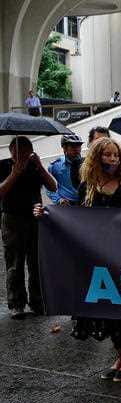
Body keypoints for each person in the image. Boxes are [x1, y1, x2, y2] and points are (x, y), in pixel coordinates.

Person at [35, 137, 121, 381]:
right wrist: (47, 213)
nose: (113, 159)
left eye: (116, 155)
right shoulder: (88, 187)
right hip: (97, 257)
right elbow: (76, 217)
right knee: (107, 309)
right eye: (107, 155)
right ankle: (118, 355)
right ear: (97, 158)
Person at [0, 137, 57, 319]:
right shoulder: (3, 166)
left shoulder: (35, 166)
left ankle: (37, 301)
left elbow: (53, 186)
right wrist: (14, 173)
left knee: (36, 262)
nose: (22, 155)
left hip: (35, 217)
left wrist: (39, 166)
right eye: (18, 152)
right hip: (12, 218)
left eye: (26, 152)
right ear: (11, 152)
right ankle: (17, 303)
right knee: (14, 264)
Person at [46, 134, 84, 206]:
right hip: (67, 205)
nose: (77, 149)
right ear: (64, 148)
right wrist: (58, 199)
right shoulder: (55, 166)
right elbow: (48, 187)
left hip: (85, 203)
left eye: (79, 145)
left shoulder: (87, 163)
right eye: (73, 146)